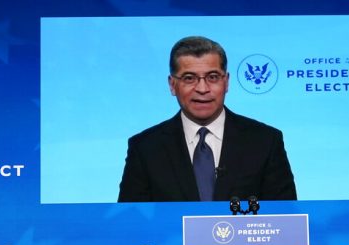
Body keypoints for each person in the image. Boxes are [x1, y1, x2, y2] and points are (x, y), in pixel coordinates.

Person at [118, 35, 297, 202]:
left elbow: (286, 219)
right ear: (172, 85)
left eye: (213, 77)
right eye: (189, 78)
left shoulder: (265, 141)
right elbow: (132, 222)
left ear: (226, 82)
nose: (202, 89)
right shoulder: (145, 148)